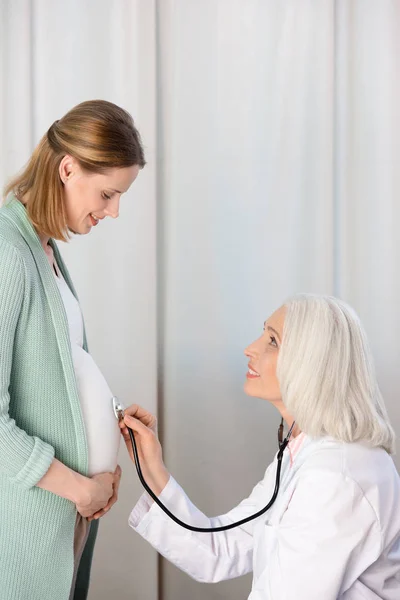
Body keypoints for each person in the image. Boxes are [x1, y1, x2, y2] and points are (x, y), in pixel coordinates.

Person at [118, 294, 400, 599]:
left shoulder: (337, 476)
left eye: (273, 341)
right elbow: (220, 550)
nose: (250, 348)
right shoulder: (305, 450)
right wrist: (151, 468)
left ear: (312, 362)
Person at [0, 99, 145, 600]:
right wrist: (81, 486)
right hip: (29, 522)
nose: (114, 210)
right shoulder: (7, 252)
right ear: (68, 168)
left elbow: (53, 374)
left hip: (67, 515)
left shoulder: (43, 248)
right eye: (108, 194)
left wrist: (110, 420)